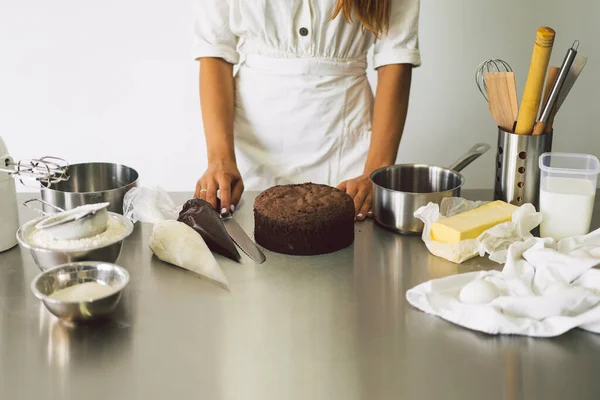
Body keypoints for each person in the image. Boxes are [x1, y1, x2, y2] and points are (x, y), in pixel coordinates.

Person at [194, 0, 420, 221]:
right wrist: (219, 160)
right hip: (247, 150)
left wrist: (376, 170)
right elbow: (215, 50)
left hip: (349, 152)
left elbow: (396, 57)